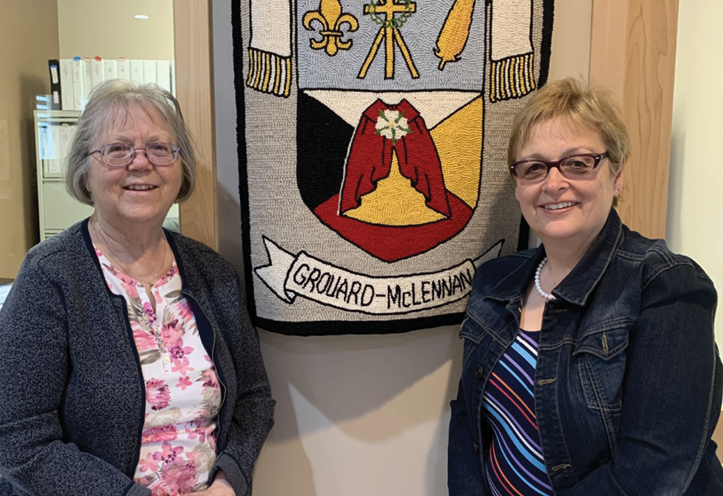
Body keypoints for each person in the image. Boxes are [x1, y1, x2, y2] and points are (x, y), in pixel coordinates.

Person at [447, 78, 723, 495]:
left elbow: (654, 470)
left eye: (578, 163)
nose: (553, 183)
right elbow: (468, 423)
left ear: (617, 175)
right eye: (534, 167)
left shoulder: (666, 285)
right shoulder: (493, 282)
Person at [0, 80, 275, 496]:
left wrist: (228, 481)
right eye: (117, 149)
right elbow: (17, 438)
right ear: (84, 172)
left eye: (160, 148)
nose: (141, 163)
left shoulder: (211, 272)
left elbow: (254, 399)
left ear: (179, 170)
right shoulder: (50, 276)